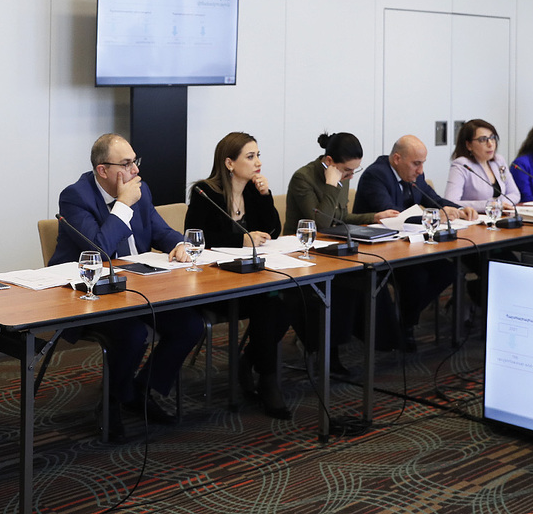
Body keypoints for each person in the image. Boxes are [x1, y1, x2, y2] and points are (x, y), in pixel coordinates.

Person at [52, 134, 205, 441]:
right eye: (126, 164)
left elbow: (159, 230)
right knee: (133, 335)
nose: (135, 170)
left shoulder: (140, 190)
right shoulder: (75, 197)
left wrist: (179, 244)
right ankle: (110, 403)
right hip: (88, 295)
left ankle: (141, 389)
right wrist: (122, 205)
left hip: (137, 289)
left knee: (190, 326)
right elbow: (99, 251)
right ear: (102, 170)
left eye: (135, 161)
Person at [184, 132, 292, 417]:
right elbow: (195, 237)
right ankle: (267, 380)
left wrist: (266, 197)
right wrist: (239, 241)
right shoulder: (205, 193)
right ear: (229, 163)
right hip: (216, 286)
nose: (258, 163)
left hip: (252, 281)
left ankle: (251, 363)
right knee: (268, 304)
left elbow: (273, 232)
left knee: (284, 302)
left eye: (258, 155)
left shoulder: (254, 192)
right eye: (250, 156)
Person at [284, 132, 397, 374]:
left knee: (370, 275)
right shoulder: (303, 178)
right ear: (329, 162)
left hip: (330, 249)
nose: (350, 176)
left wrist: (374, 217)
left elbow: (341, 217)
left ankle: (383, 340)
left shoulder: (341, 177)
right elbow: (321, 223)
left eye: (354, 171)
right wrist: (331, 184)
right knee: (339, 286)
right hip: (300, 253)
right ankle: (327, 352)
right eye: (347, 171)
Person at [353, 135, 473, 351]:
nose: (420, 170)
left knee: (449, 272)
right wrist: (434, 215)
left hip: (409, 247)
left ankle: (403, 320)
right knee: (416, 277)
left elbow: (433, 199)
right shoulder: (376, 175)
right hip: (378, 251)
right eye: (416, 163)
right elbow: (393, 215)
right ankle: (403, 326)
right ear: (397, 159)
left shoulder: (415, 174)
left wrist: (459, 209)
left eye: (422, 164)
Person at [444, 119, 521, 213]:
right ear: (469, 145)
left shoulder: (498, 161)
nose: (490, 144)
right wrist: (489, 205)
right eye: (483, 140)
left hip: (500, 216)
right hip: (475, 219)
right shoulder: (461, 165)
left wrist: (500, 204)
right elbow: (450, 202)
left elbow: (515, 194)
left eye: (492, 138)